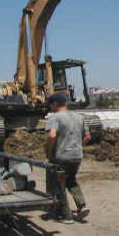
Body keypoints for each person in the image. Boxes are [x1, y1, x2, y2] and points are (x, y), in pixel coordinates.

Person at [45, 92, 91, 223]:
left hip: (61, 158)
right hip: (76, 157)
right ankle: (82, 206)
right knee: (71, 180)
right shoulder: (78, 117)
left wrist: (48, 151)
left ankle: (66, 215)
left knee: (59, 185)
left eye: (50, 105)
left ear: (54, 104)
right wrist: (78, 146)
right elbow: (88, 137)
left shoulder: (55, 118)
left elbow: (52, 136)